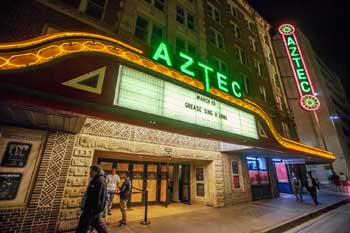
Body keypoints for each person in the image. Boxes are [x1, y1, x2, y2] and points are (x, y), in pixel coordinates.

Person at [76, 165, 108, 233]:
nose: (90, 173)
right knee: (98, 225)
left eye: (91, 171)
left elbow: (100, 197)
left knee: (82, 226)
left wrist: (94, 209)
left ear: (96, 171)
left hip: (91, 209)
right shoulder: (95, 180)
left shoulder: (99, 181)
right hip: (91, 209)